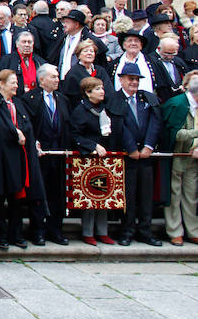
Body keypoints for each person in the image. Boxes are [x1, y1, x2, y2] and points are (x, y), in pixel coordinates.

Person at [0, 69, 45, 251]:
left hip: (18, 157)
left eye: (17, 82)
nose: (16, 85)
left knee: (17, 197)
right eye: (13, 82)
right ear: (1, 83)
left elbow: (26, 125)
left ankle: (16, 234)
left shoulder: (17, 103)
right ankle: (0, 235)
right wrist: (14, 132)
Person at [107, 62, 162, 246]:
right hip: (126, 157)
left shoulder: (146, 98)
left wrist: (148, 146)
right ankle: (127, 231)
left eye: (137, 79)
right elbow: (119, 126)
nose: (134, 82)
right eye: (131, 79)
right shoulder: (114, 99)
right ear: (121, 80)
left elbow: (155, 122)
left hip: (146, 156)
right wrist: (131, 148)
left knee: (146, 196)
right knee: (128, 197)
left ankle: (145, 231)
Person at [23, 64, 72, 246]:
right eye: (53, 77)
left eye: (57, 76)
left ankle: (55, 230)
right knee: (38, 195)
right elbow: (27, 125)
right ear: (41, 79)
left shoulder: (63, 99)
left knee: (57, 194)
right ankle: (38, 231)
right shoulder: (30, 98)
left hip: (58, 154)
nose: (57, 80)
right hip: (39, 156)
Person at [70, 77, 122, 246]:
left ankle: (102, 231)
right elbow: (75, 135)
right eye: (98, 89)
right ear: (88, 92)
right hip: (88, 158)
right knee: (90, 196)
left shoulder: (105, 109)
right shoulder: (80, 111)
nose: (102, 91)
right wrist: (92, 145)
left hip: (106, 159)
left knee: (105, 196)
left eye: (102, 88)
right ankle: (87, 232)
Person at [160, 74, 198, 246]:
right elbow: (176, 135)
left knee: (191, 195)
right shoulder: (177, 104)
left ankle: (193, 230)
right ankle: (175, 231)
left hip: (194, 158)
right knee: (174, 194)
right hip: (177, 156)